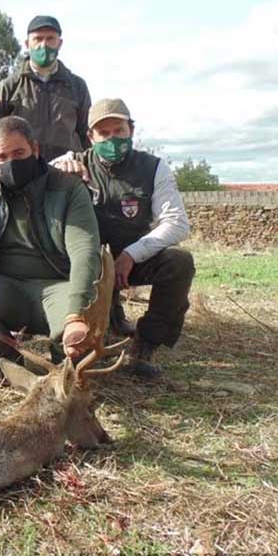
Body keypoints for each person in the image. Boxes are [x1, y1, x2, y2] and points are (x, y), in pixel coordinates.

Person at [52, 98, 195, 379]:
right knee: (89, 343)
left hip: (132, 258)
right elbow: (28, 178)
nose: (112, 139)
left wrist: (131, 254)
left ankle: (146, 343)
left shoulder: (154, 168)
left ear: (131, 130)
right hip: (83, 263)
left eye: (119, 130)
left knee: (179, 263)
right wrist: (58, 175)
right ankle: (99, 321)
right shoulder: (69, 164)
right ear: (90, 137)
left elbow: (177, 223)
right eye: (104, 133)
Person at [0, 116, 101, 367]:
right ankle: (6, 363)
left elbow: (85, 252)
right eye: (2, 157)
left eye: (19, 153)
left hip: (59, 284)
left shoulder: (68, 188)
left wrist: (75, 313)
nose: (11, 163)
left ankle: (63, 365)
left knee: (78, 339)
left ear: (35, 149)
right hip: (7, 289)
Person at [0, 15, 91, 160]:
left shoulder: (77, 86)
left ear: (59, 43)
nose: (44, 45)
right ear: (27, 43)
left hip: (66, 171)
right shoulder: (9, 87)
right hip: (23, 169)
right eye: (38, 39)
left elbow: (86, 135)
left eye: (50, 39)